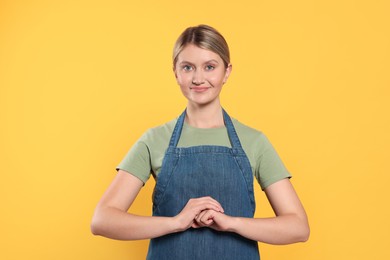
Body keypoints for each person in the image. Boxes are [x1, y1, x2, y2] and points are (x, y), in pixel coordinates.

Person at [91, 24, 310, 259]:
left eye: (209, 67)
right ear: (175, 72)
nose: (198, 78)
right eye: (187, 67)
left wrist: (232, 223)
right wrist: (176, 222)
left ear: (227, 72)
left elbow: (298, 227)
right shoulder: (154, 140)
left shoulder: (254, 142)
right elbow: (103, 220)